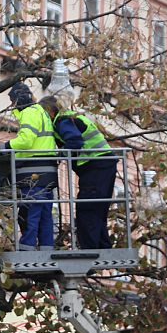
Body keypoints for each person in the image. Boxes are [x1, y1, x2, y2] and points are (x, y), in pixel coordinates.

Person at [39, 96, 118, 249]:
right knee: (97, 209)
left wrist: (60, 156)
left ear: (49, 111)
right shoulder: (69, 117)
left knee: (87, 210)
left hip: (96, 166)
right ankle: (103, 247)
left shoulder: (62, 121)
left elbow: (75, 141)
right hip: (102, 166)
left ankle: (90, 251)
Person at [0, 82, 58, 250]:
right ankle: (46, 247)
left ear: (18, 100)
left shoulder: (29, 113)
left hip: (33, 173)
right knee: (44, 214)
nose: (12, 105)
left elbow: (26, 141)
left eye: (13, 101)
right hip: (47, 171)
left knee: (31, 212)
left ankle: (27, 246)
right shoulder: (40, 112)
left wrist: (1, 148)